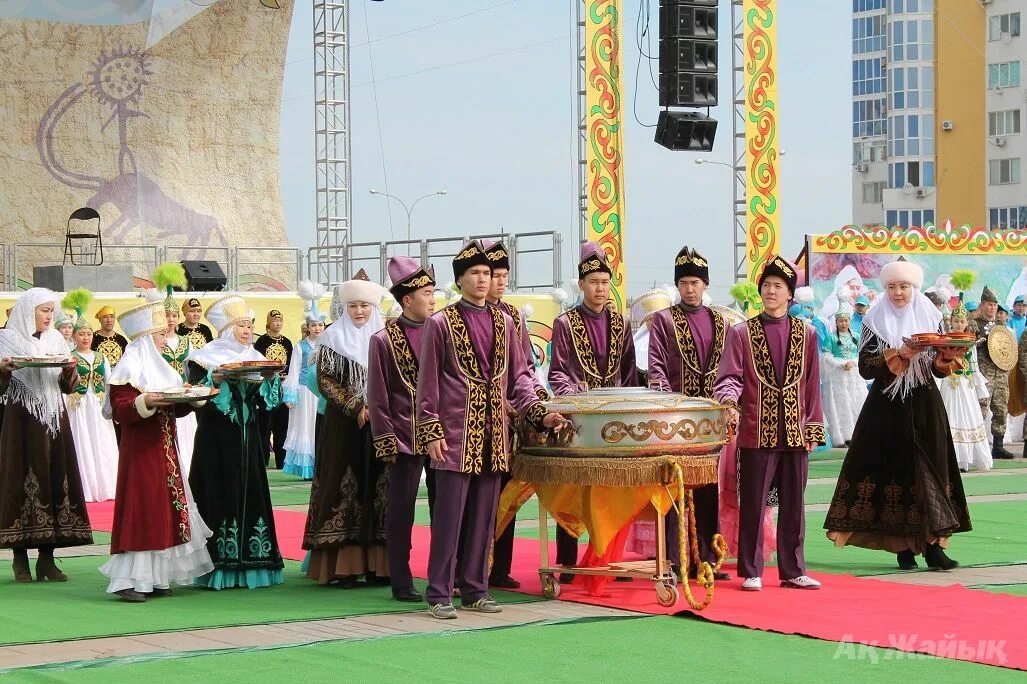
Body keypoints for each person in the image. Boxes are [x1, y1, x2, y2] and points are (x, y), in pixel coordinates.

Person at [417, 239, 565, 619]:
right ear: (460, 280)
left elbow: (520, 377)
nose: (483, 280)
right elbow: (428, 382)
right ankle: (438, 592)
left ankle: (475, 589)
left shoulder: (505, 321)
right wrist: (431, 430)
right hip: (454, 434)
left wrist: (539, 412)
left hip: (495, 434)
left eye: (487, 273)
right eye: (475, 274)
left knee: (485, 517)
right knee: (449, 517)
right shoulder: (440, 323)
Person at [824, 259, 971, 571]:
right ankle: (902, 548)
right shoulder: (874, 321)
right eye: (892, 286)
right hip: (887, 409)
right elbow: (865, 367)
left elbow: (938, 369)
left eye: (903, 286)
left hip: (924, 403)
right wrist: (898, 354)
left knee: (932, 470)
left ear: (913, 288)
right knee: (894, 473)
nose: (898, 292)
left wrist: (946, 357)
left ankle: (933, 547)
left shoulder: (931, 317)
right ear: (885, 288)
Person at [714, 255, 825, 592]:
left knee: (794, 504)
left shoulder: (807, 333)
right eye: (767, 286)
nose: (771, 291)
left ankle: (793, 569)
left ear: (790, 294)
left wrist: (814, 427)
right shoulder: (741, 333)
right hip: (754, 430)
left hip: (794, 429)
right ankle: (751, 570)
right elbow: (730, 377)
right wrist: (729, 403)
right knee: (753, 504)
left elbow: (812, 385)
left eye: (778, 286)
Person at [99, 294, 213, 602]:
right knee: (142, 509)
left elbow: (173, 407)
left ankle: (156, 578)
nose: (166, 340)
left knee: (163, 509)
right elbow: (121, 411)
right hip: (141, 452)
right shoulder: (129, 369)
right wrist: (145, 401)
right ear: (147, 339)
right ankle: (127, 580)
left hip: (165, 451)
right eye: (161, 335)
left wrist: (192, 397)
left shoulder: (161, 369)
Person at [548, 242, 637, 578]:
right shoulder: (566, 323)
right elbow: (558, 372)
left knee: (612, 489)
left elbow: (629, 372)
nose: (599, 289)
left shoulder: (622, 323)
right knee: (575, 490)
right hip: (580, 420)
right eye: (593, 282)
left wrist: (624, 404)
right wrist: (578, 401)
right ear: (581, 285)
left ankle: (608, 556)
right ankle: (568, 561)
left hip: (614, 419)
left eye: (604, 282)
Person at [187, 295, 285, 589]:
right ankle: (218, 566)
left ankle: (253, 561)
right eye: (241, 325)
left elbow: (269, 401)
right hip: (216, 439)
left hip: (249, 438)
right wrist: (214, 380)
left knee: (250, 491)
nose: (247, 331)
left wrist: (269, 378)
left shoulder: (255, 356)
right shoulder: (204, 356)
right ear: (227, 328)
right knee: (219, 491)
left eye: (249, 325)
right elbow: (195, 396)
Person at [646, 246, 730, 580]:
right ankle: (676, 559)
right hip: (677, 420)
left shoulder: (719, 321)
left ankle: (708, 559)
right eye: (684, 283)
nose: (690, 289)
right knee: (676, 489)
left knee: (709, 489)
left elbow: (727, 369)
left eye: (695, 282)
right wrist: (670, 408)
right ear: (677, 286)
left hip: (709, 420)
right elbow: (656, 369)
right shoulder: (664, 320)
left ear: (705, 285)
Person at [300, 270, 388, 587]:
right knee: (343, 487)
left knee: (378, 489)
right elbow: (325, 379)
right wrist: (355, 407)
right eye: (353, 306)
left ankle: (379, 566)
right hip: (342, 426)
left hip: (380, 425)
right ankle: (343, 567)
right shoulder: (332, 337)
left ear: (373, 307)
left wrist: (377, 408)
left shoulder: (385, 339)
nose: (359, 312)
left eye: (364, 305)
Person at [0, 288, 92, 582]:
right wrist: (2, 370)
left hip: (54, 419)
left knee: (54, 477)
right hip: (21, 420)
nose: (49, 316)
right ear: (29, 311)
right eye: (44, 310)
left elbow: (68, 386)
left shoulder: (57, 340)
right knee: (21, 479)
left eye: (52, 310)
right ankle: (19, 559)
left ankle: (47, 559)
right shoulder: (7, 340)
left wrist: (69, 372)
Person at [368, 256, 436, 602]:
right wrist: (385, 438)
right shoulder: (383, 340)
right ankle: (401, 578)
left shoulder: (443, 333)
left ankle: (443, 576)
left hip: (442, 438)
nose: (432, 298)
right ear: (407, 299)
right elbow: (377, 396)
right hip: (403, 438)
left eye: (433, 291)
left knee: (444, 510)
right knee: (401, 511)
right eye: (426, 292)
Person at [482, 239, 549, 590]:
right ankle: (475, 566)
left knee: (507, 495)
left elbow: (525, 366)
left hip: (512, 422)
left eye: (505, 275)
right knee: (482, 498)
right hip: (481, 418)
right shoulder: (463, 316)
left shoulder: (512, 316)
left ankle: (499, 567)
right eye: (495, 275)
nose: (500, 282)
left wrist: (536, 400)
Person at [63, 290, 118, 503]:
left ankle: (106, 486)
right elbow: (64, 383)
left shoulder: (101, 357)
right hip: (78, 407)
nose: (85, 338)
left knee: (102, 442)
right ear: (74, 337)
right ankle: (85, 488)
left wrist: (109, 403)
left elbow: (109, 381)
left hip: (97, 404)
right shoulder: (70, 357)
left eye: (88, 334)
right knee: (82, 443)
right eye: (81, 334)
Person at [154, 266, 198, 479]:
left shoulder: (186, 342)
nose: (170, 319)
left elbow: (194, 368)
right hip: (163, 394)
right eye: (166, 315)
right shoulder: (155, 342)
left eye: (173, 315)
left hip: (182, 393)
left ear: (179, 318)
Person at [938, 301, 992, 472]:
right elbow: (939, 363)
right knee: (949, 414)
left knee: (968, 414)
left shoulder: (970, 341)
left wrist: (979, 386)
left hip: (965, 383)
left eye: (962, 321)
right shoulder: (945, 339)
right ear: (951, 321)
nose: (959, 324)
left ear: (967, 323)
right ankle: (949, 458)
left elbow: (974, 365)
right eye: (956, 321)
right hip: (948, 382)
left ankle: (966, 459)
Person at [282, 283, 327, 480]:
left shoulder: (328, 344)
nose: (317, 328)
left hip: (323, 392)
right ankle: (308, 467)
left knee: (321, 426)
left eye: (320, 324)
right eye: (313, 325)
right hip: (305, 392)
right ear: (307, 327)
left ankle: (323, 463)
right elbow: (293, 371)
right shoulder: (300, 346)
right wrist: (291, 395)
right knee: (306, 427)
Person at [972, 286, 1014, 460]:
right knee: (980, 409)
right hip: (984, 374)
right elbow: (970, 347)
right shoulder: (974, 324)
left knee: (1001, 409)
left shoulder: (1001, 325)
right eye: (989, 304)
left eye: (995, 305)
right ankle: (975, 447)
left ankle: (998, 446)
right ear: (982, 305)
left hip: (1001, 373)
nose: (993, 308)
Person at [820, 307, 869, 447]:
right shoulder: (831, 337)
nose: (843, 323)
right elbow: (826, 357)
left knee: (856, 402)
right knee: (841, 404)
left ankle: (859, 435)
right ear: (836, 322)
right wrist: (840, 364)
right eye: (840, 321)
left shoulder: (856, 336)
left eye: (846, 320)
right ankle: (843, 437)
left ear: (849, 321)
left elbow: (862, 354)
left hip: (854, 376)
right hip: (838, 377)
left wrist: (853, 363)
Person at [254, 310, 293, 470]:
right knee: (265, 426)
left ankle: (281, 461)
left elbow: (291, 363)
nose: (277, 323)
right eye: (274, 320)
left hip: (282, 388)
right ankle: (262, 461)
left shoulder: (287, 342)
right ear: (268, 323)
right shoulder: (261, 342)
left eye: (280, 320)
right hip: (266, 388)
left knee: (282, 426)